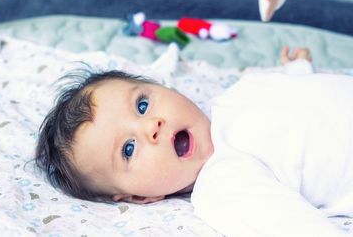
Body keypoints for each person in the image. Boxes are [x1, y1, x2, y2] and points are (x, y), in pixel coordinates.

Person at [35, 47, 353, 237]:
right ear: (139, 197)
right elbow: (290, 227)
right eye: (128, 149)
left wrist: (298, 68)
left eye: (142, 104)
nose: (151, 127)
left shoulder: (236, 94)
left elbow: (294, 98)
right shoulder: (222, 183)